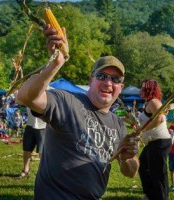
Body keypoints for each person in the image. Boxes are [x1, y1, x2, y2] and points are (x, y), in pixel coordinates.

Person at [17, 24, 139, 199]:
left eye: (115, 79)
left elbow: (130, 173)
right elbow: (26, 97)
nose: (108, 83)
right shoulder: (68, 102)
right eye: (102, 76)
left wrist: (128, 158)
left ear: (121, 87)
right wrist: (55, 63)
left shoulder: (118, 124)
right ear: (90, 80)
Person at [138, 79, 171, 200]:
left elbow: (161, 118)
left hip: (159, 141)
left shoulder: (154, 102)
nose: (141, 90)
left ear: (149, 89)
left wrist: (143, 129)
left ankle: (160, 197)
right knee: (142, 165)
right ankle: (150, 194)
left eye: (143, 88)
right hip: (153, 142)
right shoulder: (148, 103)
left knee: (157, 172)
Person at [19, 107, 46, 178]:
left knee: (42, 152)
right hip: (30, 125)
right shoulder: (28, 95)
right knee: (26, 149)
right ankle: (25, 171)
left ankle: (44, 173)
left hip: (43, 126)